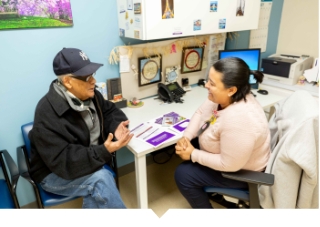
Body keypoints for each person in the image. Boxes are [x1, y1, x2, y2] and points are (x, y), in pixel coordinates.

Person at [28, 47, 133, 208]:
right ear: (67, 82)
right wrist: (103, 151)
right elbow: (64, 161)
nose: (93, 81)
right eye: (86, 77)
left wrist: (116, 126)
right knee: (101, 179)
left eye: (93, 75)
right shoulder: (46, 112)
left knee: (99, 186)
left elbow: (110, 110)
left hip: (87, 159)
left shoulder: (91, 95)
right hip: (53, 172)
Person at [174, 57, 271, 208]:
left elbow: (229, 164)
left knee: (183, 174)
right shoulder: (222, 97)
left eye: (212, 84)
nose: (206, 85)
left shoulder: (239, 119)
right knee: (190, 144)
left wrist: (193, 155)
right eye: (208, 80)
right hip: (231, 155)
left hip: (241, 172)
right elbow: (201, 112)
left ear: (231, 89)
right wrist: (186, 136)